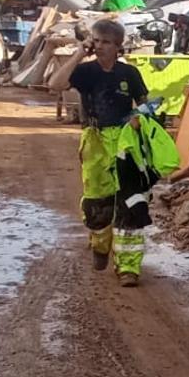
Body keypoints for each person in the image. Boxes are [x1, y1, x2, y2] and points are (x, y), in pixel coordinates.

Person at [68, 20, 155, 284]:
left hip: (124, 140)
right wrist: (79, 52)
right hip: (94, 140)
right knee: (98, 203)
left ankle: (128, 267)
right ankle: (100, 244)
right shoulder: (85, 72)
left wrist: (140, 117)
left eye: (106, 42)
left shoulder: (129, 74)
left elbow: (145, 104)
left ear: (118, 46)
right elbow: (54, 83)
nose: (99, 46)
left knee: (131, 202)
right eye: (96, 40)